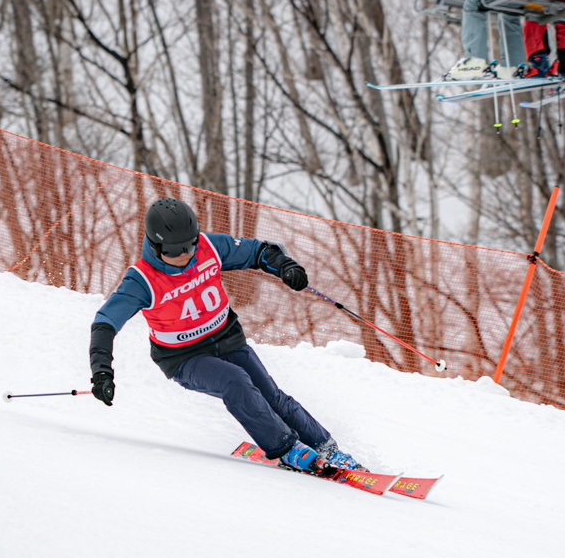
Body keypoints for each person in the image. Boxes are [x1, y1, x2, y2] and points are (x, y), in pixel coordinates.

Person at [88, 197, 363, 474]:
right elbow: (105, 323)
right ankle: (285, 448)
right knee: (235, 382)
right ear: (156, 247)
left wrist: (285, 266)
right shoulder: (142, 279)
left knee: (271, 395)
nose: (185, 255)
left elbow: (258, 251)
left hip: (228, 338)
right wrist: (101, 371)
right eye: (174, 251)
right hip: (184, 357)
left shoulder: (209, 247)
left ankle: (327, 448)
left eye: (189, 246)